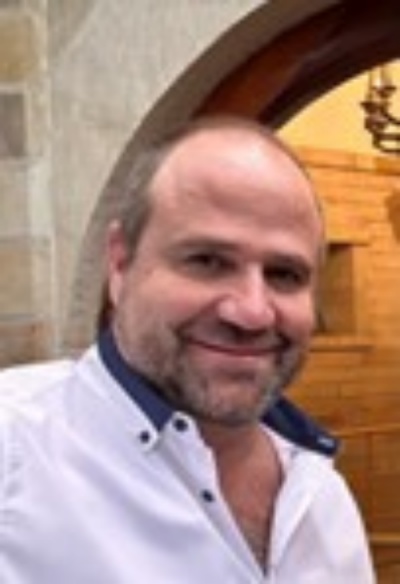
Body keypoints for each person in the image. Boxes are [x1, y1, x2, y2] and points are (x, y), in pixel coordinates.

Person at [0, 116, 375, 583]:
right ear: (119, 263)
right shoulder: (13, 449)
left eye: (285, 274)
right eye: (207, 261)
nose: (252, 312)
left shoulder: (322, 497)